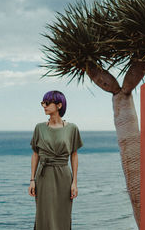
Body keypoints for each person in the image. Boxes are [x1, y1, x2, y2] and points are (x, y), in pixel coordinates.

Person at [28, 90, 84, 230]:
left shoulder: (72, 128)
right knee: (43, 215)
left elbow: (74, 155)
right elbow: (36, 154)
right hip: (44, 176)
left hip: (64, 177)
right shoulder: (39, 128)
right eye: (43, 103)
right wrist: (32, 180)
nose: (44, 106)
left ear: (59, 105)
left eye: (47, 103)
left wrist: (74, 182)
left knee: (63, 215)